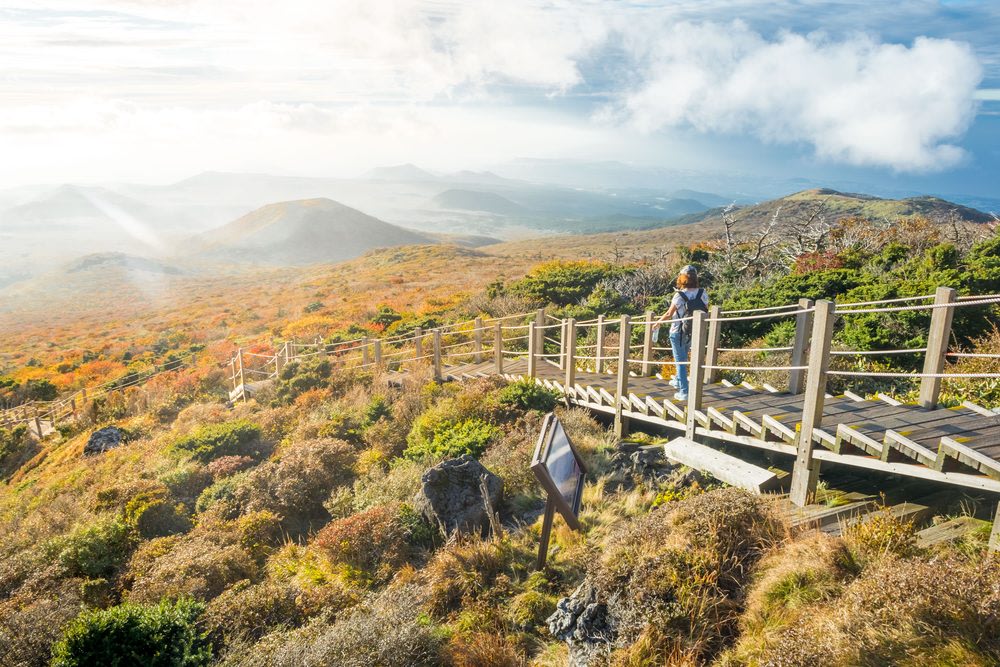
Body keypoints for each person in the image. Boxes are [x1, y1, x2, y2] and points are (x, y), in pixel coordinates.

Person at [652, 265, 708, 401]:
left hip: (677, 331)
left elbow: (669, 313)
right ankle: (678, 381)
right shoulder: (702, 293)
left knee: (680, 361)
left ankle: (684, 392)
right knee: (683, 358)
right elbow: (705, 310)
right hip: (692, 330)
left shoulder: (679, 295)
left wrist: (657, 322)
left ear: (682, 278)